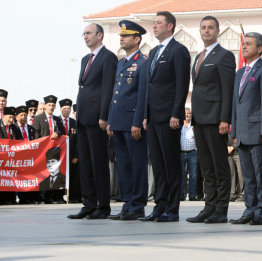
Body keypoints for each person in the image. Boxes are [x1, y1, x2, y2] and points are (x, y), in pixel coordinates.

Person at [132, 12, 190, 222]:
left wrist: (176, 113)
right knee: (157, 164)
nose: (154, 26)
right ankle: (159, 206)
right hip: (153, 117)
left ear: (170, 26)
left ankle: (172, 210)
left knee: (171, 164)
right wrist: (145, 115)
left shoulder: (179, 50)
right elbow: (149, 86)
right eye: (154, 23)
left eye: (158, 23)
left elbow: (182, 84)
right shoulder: (154, 51)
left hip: (169, 117)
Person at [186, 16, 235, 224]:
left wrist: (225, 119)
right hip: (199, 118)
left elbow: (227, 90)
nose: (206, 31)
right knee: (206, 167)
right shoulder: (199, 56)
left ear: (218, 31)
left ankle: (221, 209)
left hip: (216, 119)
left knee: (219, 166)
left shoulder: (224, 56)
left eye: (211, 28)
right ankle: (209, 207)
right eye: (203, 28)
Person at [68, 23, 118, 220]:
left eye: (89, 33)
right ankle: (88, 204)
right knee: (85, 163)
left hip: (97, 118)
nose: (86, 36)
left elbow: (107, 88)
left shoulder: (108, 57)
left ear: (100, 35)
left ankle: (103, 205)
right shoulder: (84, 59)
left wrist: (104, 116)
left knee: (98, 163)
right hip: (83, 117)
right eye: (84, 34)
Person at [229, 32, 262, 225]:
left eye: (249, 44)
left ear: (259, 48)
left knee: (261, 176)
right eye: (243, 43)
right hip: (242, 133)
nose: (244, 46)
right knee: (248, 176)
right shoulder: (240, 73)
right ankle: (250, 209)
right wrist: (234, 132)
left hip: (258, 133)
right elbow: (235, 104)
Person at [103, 21, 149, 220]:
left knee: (137, 165)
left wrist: (137, 122)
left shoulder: (143, 62)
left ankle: (137, 206)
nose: (121, 38)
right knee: (123, 165)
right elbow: (116, 94)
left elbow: (142, 95)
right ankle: (127, 204)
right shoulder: (121, 62)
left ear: (137, 39)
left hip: (132, 123)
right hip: (119, 122)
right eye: (121, 35)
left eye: (126, 35)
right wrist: (111, 120)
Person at [59, 99, 80, 203]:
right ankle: (59, 197)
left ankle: (72, 196)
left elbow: (78, 140)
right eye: (65, 108)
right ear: (60, 109)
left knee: (73, 176)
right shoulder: (56, 121)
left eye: (68, 108)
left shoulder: (74, 122)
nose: (67, 110)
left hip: (71, 153)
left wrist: (76, 155)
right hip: (59, 154)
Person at [180, 108, 198, 201]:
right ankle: (181, 195)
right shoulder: (179, 125)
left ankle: (192, 195)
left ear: (191, 115)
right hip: (181, 153)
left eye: (188, 113)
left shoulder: (194, 126)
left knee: (193, 175)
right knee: (181, 175)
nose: (187, 115)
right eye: (185, 113)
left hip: (192, 153)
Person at [227, 136, 244, 201]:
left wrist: (233, 147)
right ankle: (232, 194)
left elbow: (241, 135)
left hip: (238, 152)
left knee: (241, 173)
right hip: (228, 153)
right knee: (231, 173)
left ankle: (242, 194)